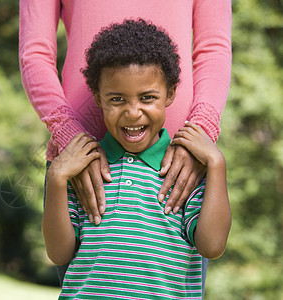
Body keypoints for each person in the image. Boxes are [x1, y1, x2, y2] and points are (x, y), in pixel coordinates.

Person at [19, 0, 231, 289]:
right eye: (120, 100)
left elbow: (214, 48)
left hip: (178, 166)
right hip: (81, 164)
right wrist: (70, 139)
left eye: (147, 98)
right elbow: (35, 53)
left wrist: (201, 133)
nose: (133, 112)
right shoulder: (66, 174)